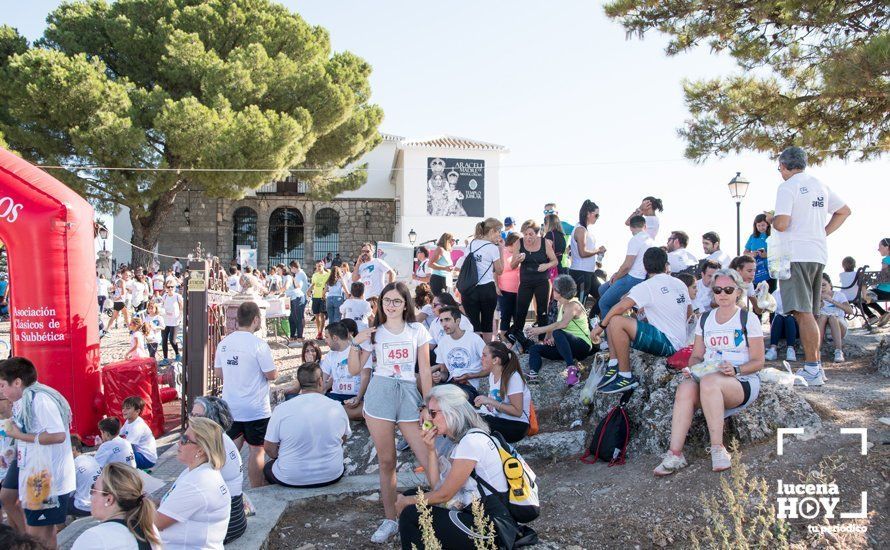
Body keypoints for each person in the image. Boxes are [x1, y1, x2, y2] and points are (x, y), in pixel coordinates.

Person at [654, 268, 765, 476]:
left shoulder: (748, 319)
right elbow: (696, 355)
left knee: (709, 383)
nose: (722, 294)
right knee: (686, 388)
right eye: (718, 290)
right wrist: (694, 369)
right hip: (710, 376)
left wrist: (736, 368)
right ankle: (675, 454)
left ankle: (718, 449)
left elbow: (759, 361)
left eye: (728, 289)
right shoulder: (705, 319)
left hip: (741, 380)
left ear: (738, 292)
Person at [347, 282, 433, 544]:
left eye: (397, 300)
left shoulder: (418, 329)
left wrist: (429, 407)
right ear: (381, 303)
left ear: (406, 303)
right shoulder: (374, 333)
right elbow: (353, 370)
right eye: (387, 300)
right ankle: (389, 519)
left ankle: (444, 503)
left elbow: (426, 371)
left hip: (409, 394)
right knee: (387, 461)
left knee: (428, 453)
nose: (392, 305)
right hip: (380, 395)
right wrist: (355, 343)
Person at [396, 385, 524, 549]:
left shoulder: (470, 442)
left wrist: (406, 502)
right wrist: (430, 449)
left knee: (411, 513)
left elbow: (444, 495)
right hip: (474, 513)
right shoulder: (461, 441)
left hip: (491, 527)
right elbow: (438, 487)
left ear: (451, 412)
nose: (429, 419)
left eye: (433, 413)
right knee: (414, 495)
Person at [766, 146, 850, 386]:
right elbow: (844, 211)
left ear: (783, 165)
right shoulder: (819, 184)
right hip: (817, 253)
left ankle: (813, 367)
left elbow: (782, 223)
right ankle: (816, 366)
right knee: (810, 312)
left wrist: (771, 218)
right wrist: (822, 233)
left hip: (795, 254)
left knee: (802, 312)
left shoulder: (787, 186)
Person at [0, 357, 76, 549]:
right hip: (34, 471)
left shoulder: (39, 399)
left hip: (45, 479)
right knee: (41, 530)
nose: (1, 392)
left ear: (17, 382)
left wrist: (21, 435)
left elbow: (58, 435)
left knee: (38, 534)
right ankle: (21, 538)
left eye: (2, 386)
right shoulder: (24, 398)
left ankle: (24, 542)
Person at [592, 248, 692, 394]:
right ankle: (614, 364)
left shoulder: (646, 286)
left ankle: (625, 376)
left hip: (668, 344)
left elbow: (619, 307)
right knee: (617, 320)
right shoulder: (679, 283)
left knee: (616, 321)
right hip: (679, 342)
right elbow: (688, 313)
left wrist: (600, 327)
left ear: (645, 268)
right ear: (665, 266)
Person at [213, 301, 278, 488]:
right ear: (256, 320)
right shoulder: (259, 345)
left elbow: (218, 373)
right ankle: (257, 489)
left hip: (230, 405)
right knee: (257, 451)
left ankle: (223, 487)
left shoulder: (224, 343)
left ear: (237, 320)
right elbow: (271, 375)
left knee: (231, 449)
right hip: (255, 408)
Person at [263, 363, 351, 488]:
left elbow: (269, 448)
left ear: (299, 383)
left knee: (267, 469)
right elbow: (343, 439)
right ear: (320, 381)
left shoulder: (281, 409)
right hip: (331, 474)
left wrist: (282, 456)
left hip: (291, 476)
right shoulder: (337, 406)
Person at [156, 417, 230, 549]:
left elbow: (157, 523)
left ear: (200, 450)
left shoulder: (197, 482)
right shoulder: (197, 472)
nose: (178, 443)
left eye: (184, 440)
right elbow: (169, 504)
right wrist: (146, 500)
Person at [191, 396, 246, 545]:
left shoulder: (212, 446)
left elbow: (196, 492)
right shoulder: (221, 438)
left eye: (198, 416)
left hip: (224, 524)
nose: (192, 421)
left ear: (211, 419)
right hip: (232, 516)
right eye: (192, 415)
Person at [71, 463, 161, 550]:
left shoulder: (95, 538)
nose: (91, 496)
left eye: (93, 490)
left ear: (109, 499)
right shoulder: (149, 528)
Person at [526, 275, 593, 385]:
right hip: (568, 347)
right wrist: (550, 337)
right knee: (535, 348)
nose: (553, 290)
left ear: (560, 292)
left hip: (583, 346)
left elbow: (562, 324)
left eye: (555, 289)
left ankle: (572, 369)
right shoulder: (560, 304)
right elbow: (555, 324)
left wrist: (539, 330)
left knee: (558, 332)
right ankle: (533, 373)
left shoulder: (573, 305)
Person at [596, 215, 656, 319]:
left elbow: (627, 266)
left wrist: (617, 276)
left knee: (603, 304)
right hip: (640, 277)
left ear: (631, 228)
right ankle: (616, 313)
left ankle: (609, 332)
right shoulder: (650, 240)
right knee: (602, 289)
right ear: (644, 226)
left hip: (632, 278)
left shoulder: (636, 239)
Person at [511, 220, 558, 341]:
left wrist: (546, 266)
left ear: (536, 233)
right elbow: (512, 266)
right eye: (525, 234)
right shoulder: (518, 243)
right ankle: (518, 339)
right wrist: (518, 260)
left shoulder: (544, 243)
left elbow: (555, 261)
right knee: (520, 310)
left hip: (542, 281)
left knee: (542, 311)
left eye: (530, 234)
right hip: (525, 282)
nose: (527, 237)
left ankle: (542, 340)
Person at [476, 342, 531, 443]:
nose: (481, 358)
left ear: (496, 360)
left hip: (517, 426)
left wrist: (490, 401)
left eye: (484, 355)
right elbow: (494, 406)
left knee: (475, 421)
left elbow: (517, 411)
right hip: (498, 419)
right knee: (469, 415)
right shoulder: (492, 375)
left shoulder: (513, 377)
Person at [462, 218, 504, 342]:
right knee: (487, 322)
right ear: (491, 231)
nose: (500, 235)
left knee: (473, 323)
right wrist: (501, 250)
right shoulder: (493, 248)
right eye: (498, 231)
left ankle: (474, 352)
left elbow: (464, 263)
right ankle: (486, 351)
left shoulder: (471, 244)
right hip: (487, 289)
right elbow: (500, 271)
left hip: (470, 289)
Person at [432, 307, 487, 401]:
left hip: (470, 386)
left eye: (447, 320)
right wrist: (439, 376)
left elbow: (490, 367)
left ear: (458, 321)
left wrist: (470, 375)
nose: (444, 324)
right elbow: (444, 372)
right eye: (441, 321)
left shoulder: (474, 339)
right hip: (451, 384)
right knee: (431, 396)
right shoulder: (442, 343)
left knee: (453, 399)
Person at [321, 322, 371, 420]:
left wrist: (358, 397)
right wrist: (320, 391)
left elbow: (366, 376)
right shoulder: (331, 354)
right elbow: (323, 377)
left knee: (370, 408)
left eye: (326, 337)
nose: (325, 340)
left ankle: (336, 413)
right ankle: (343, 413)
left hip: (357, 396)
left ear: (335, 338)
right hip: (336, 396)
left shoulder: (360, 350)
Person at [569, 200, 605, 308]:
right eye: (596, 215)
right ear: (588, 214)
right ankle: (582, 323)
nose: (597, 218)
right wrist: (598, 250)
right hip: (581, 272)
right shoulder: (581, 229)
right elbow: (582, 253)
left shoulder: (584, 229)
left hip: (589, 272)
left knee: (603, 297)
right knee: (580, 305)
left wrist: (598, 256)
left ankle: (591, 319)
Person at [818, 273, 854, 363]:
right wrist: (818, 304)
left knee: (832, 317)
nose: (822, 288)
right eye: (819, 286)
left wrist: (832, 301)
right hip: (822, 328)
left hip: (839, 326)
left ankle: (838, 350)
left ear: (830, 284)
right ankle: (816, 350)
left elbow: (850, 311)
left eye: (824, 285)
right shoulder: (815, 297)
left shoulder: (839, 295)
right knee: (823, 316)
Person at [496, 233, 522, 342]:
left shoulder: (519, 253)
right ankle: (503, 339)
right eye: (519, 242)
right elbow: (505, 268)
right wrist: (496, 286)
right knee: (505, 316)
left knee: (518, 316)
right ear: (513, 243)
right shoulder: (503, 252)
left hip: (518, 290)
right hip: (505, 290)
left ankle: (516, 338)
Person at [120, 396, 158, 469]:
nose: (124, 411)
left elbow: (127, 446)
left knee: (119, 455)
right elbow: (118, 435)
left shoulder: (137, 426)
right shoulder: (128, 421)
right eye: (123, 408)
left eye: (128, 408)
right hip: (139, 454)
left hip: (146, 459)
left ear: (137, 411)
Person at [68, 435, 100, 519]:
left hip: (85, 507)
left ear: (73, 449)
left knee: (57, 502)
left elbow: (69, 491)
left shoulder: (73, 465)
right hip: (98, 503)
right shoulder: (91, 458)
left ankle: (62, 530)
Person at [744, 214, 775, 292]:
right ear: (755, 226)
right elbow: (745, 252)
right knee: (757, 295)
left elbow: (779, 253)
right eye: (759, 225)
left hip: (770, 271)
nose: (761, 227)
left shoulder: (773, 235)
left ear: (767, 224)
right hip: (756, 272)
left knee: (771, 295)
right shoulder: (752, 237)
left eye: (763, 225)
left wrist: (766, 255)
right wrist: (752, 254)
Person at [765, 291, 798, 362]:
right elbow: (771, 309)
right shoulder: (775, 293)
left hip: (793, 325)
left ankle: (790, 349)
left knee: (789, 318)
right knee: (778, 317)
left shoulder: (796, 292)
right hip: (779, 326)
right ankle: (773, 349)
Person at [864, 238, 890, 326]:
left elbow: (883, 277)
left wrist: (872, 283)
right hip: (885, 291)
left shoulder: (886, 260)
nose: (878, 249)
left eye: (880, 246)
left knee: (860, 297)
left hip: (885, 292)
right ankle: (882, 313)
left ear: (887, 247)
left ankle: (874, 316)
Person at [285, 261, 309, 343]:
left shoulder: (300, 274)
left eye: (291, 268)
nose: (291, 270)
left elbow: (299, 286)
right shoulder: (298, 274)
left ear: (294, 267)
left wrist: (289, 292)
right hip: (295, 297)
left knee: (298, 317)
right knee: (292, 317)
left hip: (299, 297)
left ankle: (299, 337)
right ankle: (294, 336)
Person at [159, 281, 182, 365]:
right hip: (165, 321)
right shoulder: (164, 296)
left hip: (175, 321)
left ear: (175, 287)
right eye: (168, 287)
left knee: (172, 340)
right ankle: (165, 358)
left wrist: (180, 317)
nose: (170, 289)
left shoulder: (177, 296)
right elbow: (161, 306)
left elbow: (182, 307)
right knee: (164, 339)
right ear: (166, 288)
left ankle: (177, 354)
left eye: (172, 287)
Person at [310, 260, 329, 339]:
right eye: (317, 266)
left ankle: (321, 332)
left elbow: (328, 286)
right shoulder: (314, 275)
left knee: (323, 315)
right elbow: (313, 284)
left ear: (323, 265)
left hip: (323, 297)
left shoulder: (328, 275)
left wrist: (325, 293)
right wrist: (309, 290)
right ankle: (319, 331)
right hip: (315, 297)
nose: (318, 267)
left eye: (320, 266)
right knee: (316, 315)